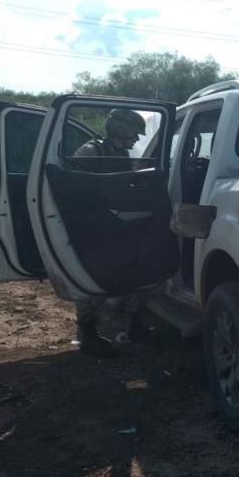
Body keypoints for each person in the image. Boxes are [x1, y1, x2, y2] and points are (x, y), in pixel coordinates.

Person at [73, 109, 148, 357]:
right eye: (134, 134)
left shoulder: (121, 153)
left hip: (115, 222)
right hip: (91, 224)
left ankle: (135, 326)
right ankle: (88, 335)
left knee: (135, 272)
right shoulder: (90, 152)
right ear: (121, 130)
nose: (136, 140)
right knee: (89, 279)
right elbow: (75, 189)